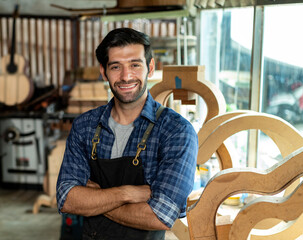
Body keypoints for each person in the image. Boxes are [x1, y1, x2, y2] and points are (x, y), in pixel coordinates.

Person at [56, 28, 198, 240]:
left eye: (135, 65)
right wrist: (128, 193)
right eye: (115, 67)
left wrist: (95, 197)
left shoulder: (175, 131)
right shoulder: (84, 126)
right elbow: (67, 199)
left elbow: (159, 216)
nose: (126, 76)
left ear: (150, 68)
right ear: (104, 72)